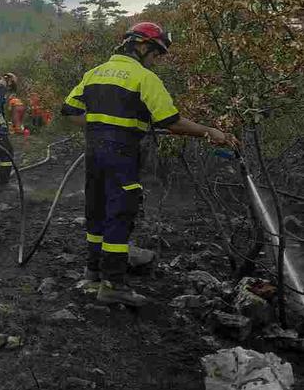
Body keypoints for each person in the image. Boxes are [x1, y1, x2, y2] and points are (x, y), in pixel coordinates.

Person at [61, 21, 238, 306]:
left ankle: (92, 272)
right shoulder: (144, 78)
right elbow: (172, 121)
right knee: (120, 213)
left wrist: (101, 125)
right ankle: (113, 284)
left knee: (96, 210)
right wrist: (210, 132)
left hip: (94, 152)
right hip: (122, 155)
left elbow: (69, 110)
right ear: (141, 46)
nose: (156, 61)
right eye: (156, 54)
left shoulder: (94, 73)